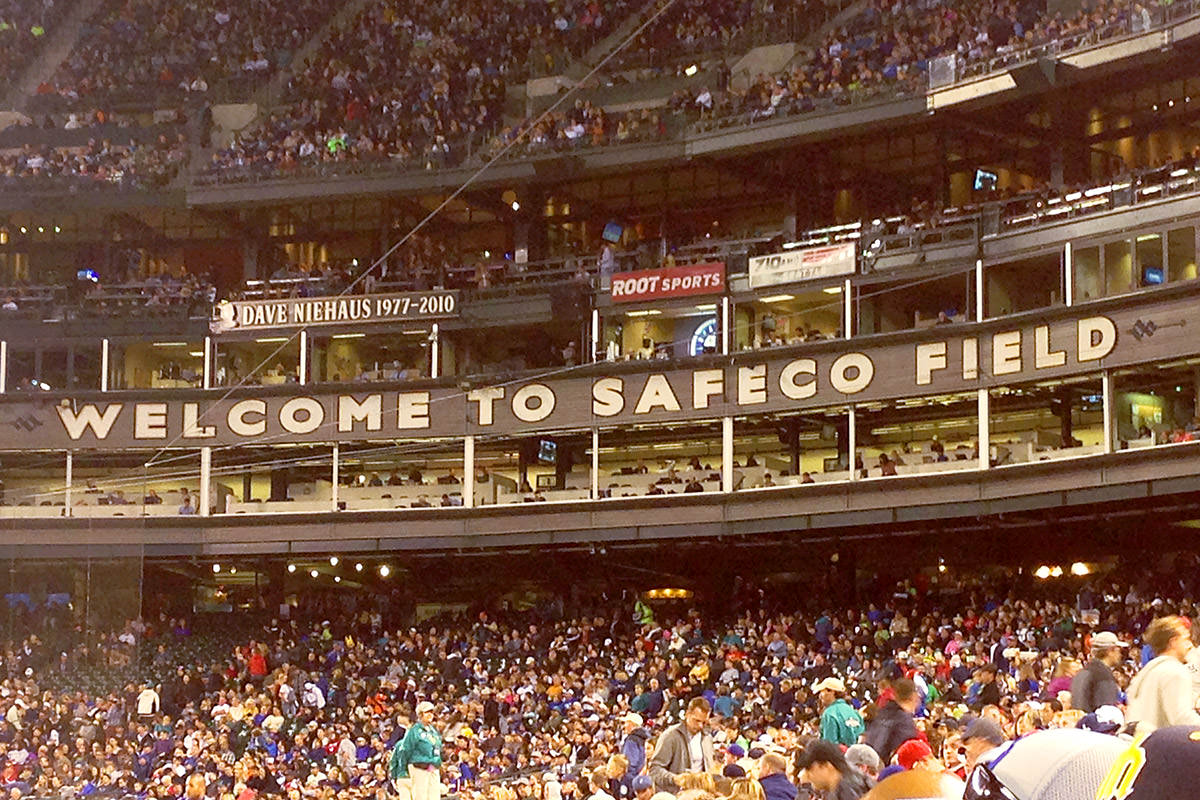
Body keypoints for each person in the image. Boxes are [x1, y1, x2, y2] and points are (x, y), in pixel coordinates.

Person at [1126, 615, 1200, 732]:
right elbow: (1182, 719)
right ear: (1173, 642)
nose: (1190, 645)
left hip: (1138, 744)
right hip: (1158, 745)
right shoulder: (1174, 671)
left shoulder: (1146, 671)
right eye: (1186, 639)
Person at [648, 697, 715, 789]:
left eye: (704, 722)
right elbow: (654, 770)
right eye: (697, 721)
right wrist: (674, 779)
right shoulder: (670, 736)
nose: (700, 726)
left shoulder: (707, 738)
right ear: (687, 714)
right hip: (676, 794)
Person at [390, 701, 444, 800]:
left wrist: (438, 761)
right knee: (420, 796)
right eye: (427, 712)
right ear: (420, 714)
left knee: (434, 796)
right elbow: (405, 750)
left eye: (431, 712)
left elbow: (438, 748)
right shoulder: (414, 730)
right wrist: (403, 769)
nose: (430, 715)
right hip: (419, 766)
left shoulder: (433, 731)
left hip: (433, 767)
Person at [864, 678, 920, 764]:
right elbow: (908, 753)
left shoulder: (881, 713)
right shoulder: (904, 721)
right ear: (913, 696)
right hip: (890, 771)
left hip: (871, 766)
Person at [1070, 630, 1128, 712]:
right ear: (1110, 651)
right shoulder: (1103, 675)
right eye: (1118, 650)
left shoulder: (1084, 671)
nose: (1120, 654)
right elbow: (1106, 713)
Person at [794, 739, 870, 800]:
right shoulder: (847, 784)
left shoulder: (849, 792)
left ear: (826, 766)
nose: (806, 775)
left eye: (809, 769)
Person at [815, 677, 864, 747]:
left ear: (832, 692)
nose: (820, 696)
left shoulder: (829, 714)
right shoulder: (854, 712)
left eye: (822, 692)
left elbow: (829, 746)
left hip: (839, 756)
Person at [621, 712, 650, 781]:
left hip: (633, 777)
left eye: (625, 723)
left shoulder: (632, 740)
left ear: (631, 724)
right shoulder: (645, 737)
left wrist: (629, 779)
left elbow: (630, 762)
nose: (624, 726)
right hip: (643, 777)